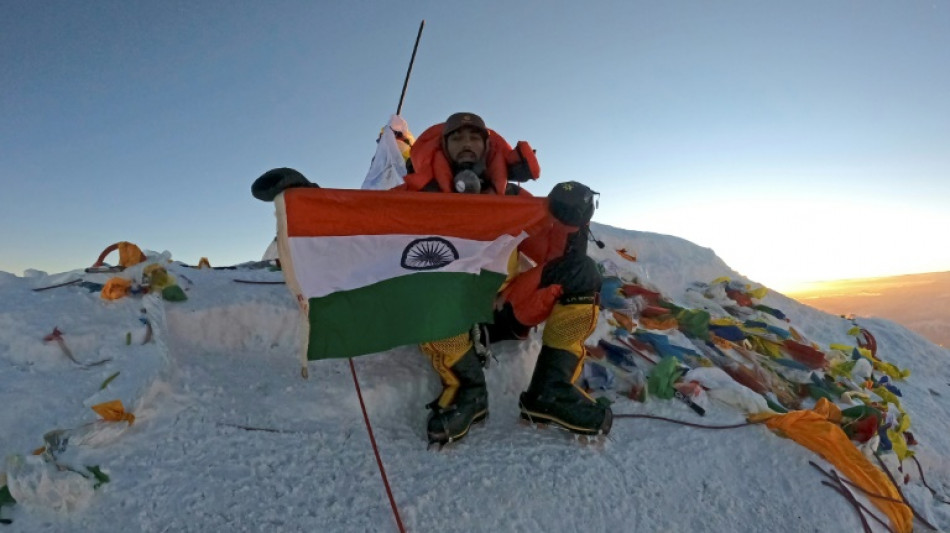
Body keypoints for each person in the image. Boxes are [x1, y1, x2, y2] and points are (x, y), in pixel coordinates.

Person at [400, 112, 612, 445]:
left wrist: (572, 222)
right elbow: (365, 222)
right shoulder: (416, 197)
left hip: (504, 309)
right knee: (427, 281)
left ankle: (550, 393)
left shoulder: (511, 200)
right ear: (443, 148)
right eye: (456, 138)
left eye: (474, 137)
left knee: (580, 271)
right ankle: (466, 390)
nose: (466, 144)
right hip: (446, 311)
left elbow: (553, 257)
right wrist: (303, 200)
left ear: (487, 145)